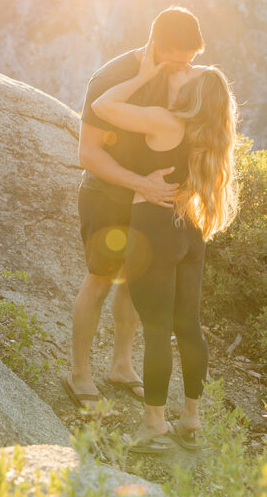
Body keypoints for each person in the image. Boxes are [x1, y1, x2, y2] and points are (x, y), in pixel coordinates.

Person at [90, 41, 238, 451]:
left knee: (156, 331)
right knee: (188, 327)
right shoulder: (210, 133)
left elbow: (102, 105)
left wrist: (142, 76)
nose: (185, 65)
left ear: (193, 94)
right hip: (190, 230)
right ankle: (191, 420)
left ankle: (154, 425)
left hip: (155, 229)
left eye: (192, 71)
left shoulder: (163, 120)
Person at [64, 7, 206, 411]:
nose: (184, 67)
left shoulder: (180, 77)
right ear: (156, 46)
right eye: (177, 58)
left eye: (190, 59)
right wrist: (140, 183)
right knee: (100, 280)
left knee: (133, 282)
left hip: (150, 202)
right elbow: (88, 154)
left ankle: (121, 367)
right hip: (108, 196)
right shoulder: (110, 78)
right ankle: (79, 374)